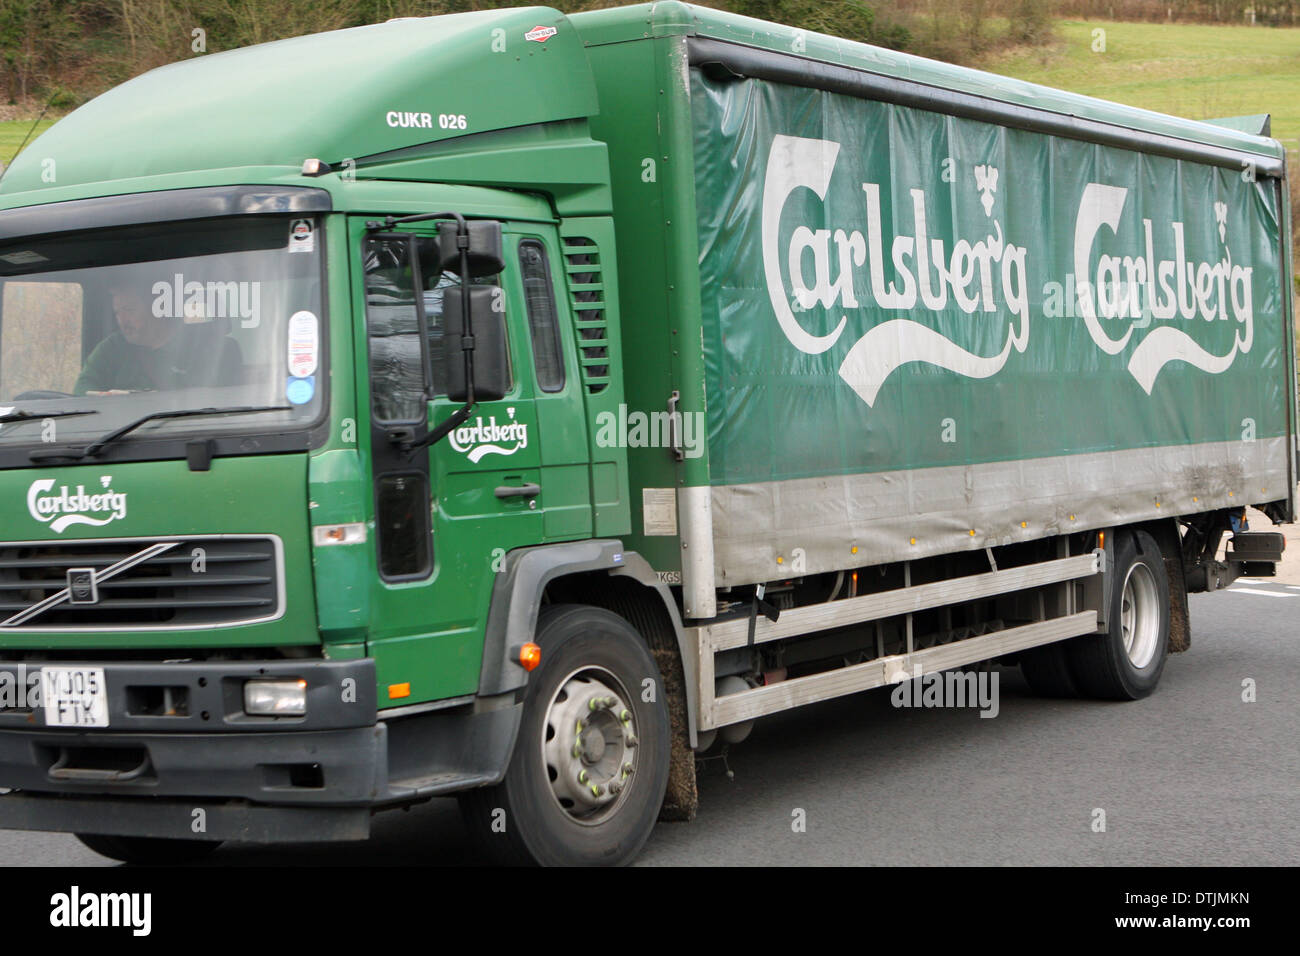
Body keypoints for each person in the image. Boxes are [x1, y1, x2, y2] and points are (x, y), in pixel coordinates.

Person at [74, 285, 243, 395]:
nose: (122, 320)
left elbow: (226, 407)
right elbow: (82, 392)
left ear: (158, 309)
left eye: (129, 310)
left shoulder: (216, 351)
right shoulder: (111, 348)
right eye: (117, 312)